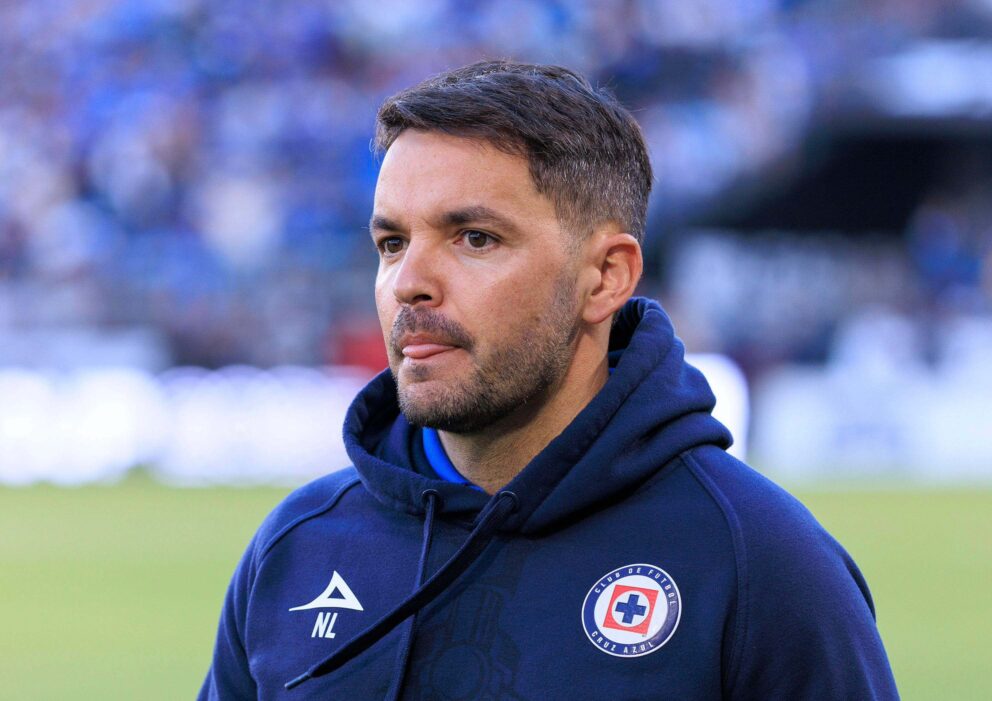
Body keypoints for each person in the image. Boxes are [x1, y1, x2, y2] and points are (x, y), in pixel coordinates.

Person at [199, 60, 899, 700]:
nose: (408, 282)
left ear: (606, 277)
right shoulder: (298, 546)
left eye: (475, 238)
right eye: (392, 243)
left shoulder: (757, 564)